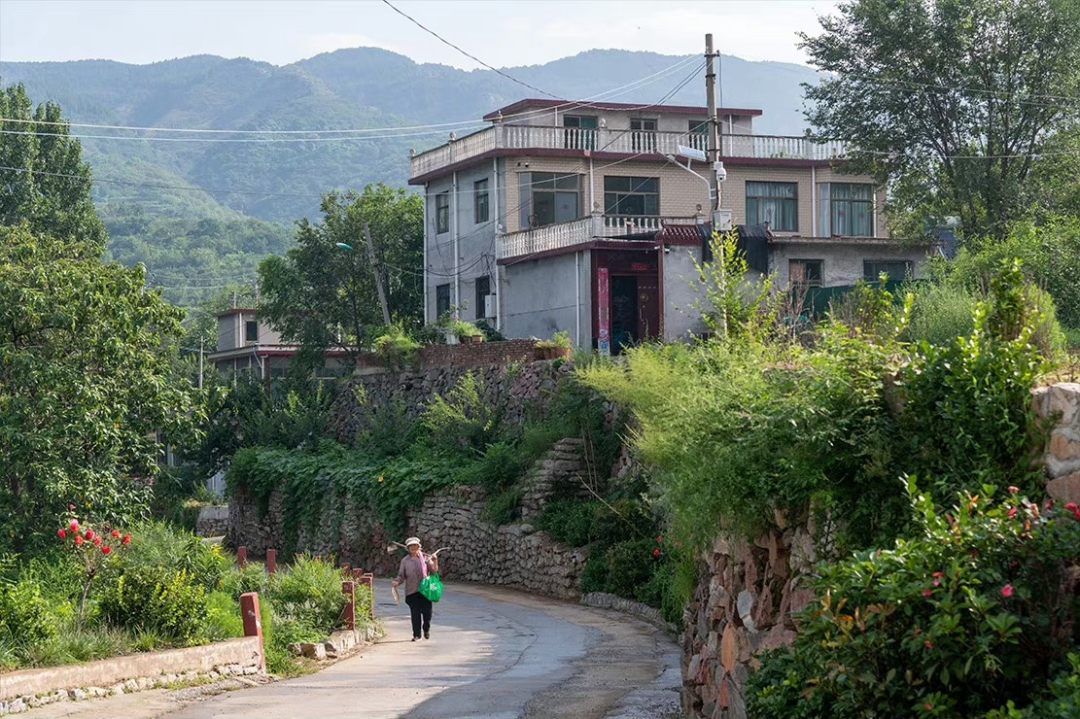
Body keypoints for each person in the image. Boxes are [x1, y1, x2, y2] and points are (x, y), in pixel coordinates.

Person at [392, 537, 439, 641]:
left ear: (419, 547)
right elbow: (401, 575)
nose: (413, 548)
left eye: (415, 546)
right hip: (412, 591)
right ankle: (416, 635)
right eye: (411, 546)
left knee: (427, 613)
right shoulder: (405, 561)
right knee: (415, 613)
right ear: (408, 548)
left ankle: (426, 628)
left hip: (425, 591)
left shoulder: (426, 558)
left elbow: (434, 571)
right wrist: (397, 582)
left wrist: (435, 561)